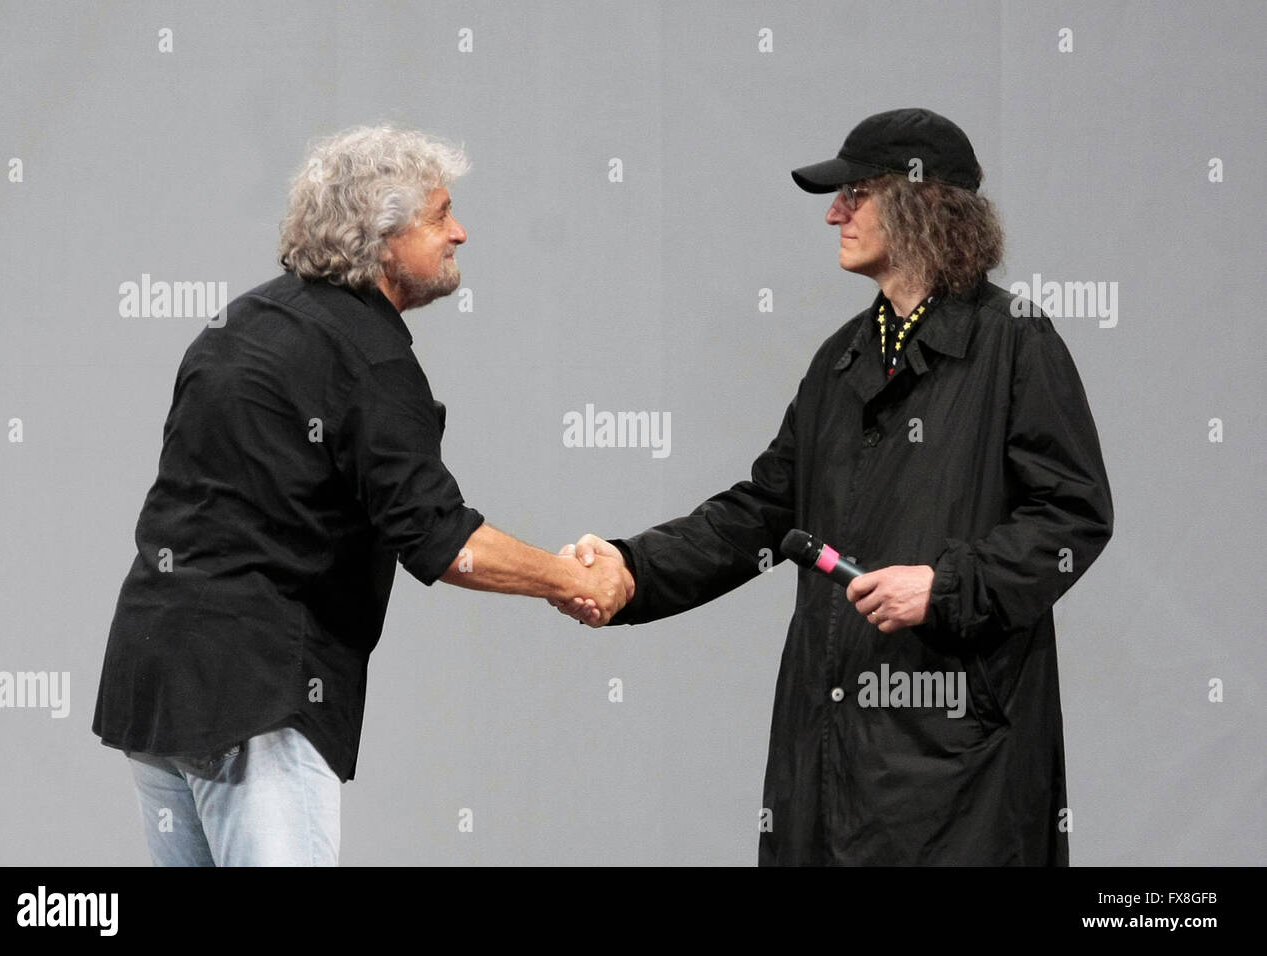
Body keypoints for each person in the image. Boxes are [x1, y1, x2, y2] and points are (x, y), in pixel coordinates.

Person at [555, 108, 1113, 865]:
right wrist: (633, 568)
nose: (833, 213)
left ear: (923, 204)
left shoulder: (1016, 342)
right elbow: (761, 512)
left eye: (856, 193)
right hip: (826, 752)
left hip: (954, 763)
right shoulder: (841, 362)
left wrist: (947, 587)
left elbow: (1073, 519)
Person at [92, 126, 632, 867]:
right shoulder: (370, 358)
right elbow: (445, 544)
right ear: (383, 235)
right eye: (441, 216)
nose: (460, 233)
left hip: (153, 678)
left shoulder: (237, 325)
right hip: (256, 697)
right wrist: (578, 579)